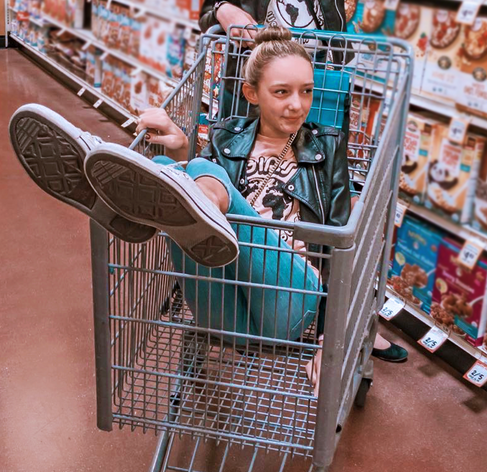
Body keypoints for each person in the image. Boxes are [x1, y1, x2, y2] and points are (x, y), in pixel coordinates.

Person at [199, 0, 440, 359]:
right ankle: (244, 301)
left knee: (327, 204)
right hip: (255, 89)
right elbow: (208, 8)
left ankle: (340, 322)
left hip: (322, 85)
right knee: (249, 197)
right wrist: (228, 13)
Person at [9, 27, 352, 391]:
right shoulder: (227, 135)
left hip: (287, 300)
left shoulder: (326, 147)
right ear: (251, 93)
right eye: (281, 92)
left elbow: (345, 249)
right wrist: (180, 144)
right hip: (224, 301)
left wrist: (328, 340)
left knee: (198, 178)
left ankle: (117, 202)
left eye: (307, 91)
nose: (297, 104)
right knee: (195, 184)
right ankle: (115, 183)